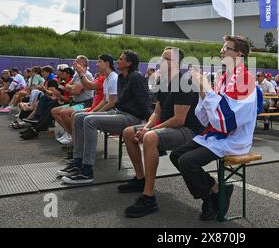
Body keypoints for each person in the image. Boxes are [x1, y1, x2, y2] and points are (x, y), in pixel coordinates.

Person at [170, 35, 257, 221]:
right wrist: (202, 90)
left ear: (239, 54)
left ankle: (210, 198)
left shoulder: (246, 79)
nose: (221, 51)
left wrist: (206, 88)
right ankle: (214, 190)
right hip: (216, 133)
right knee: (176, 156)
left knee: (188, 162)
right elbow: (206, 117)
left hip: (233, 137)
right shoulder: (224, 78)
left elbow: (228, 119)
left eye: (226, 48)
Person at [120, 47, 204, 218]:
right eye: (161, 57)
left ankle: (148, 197)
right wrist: (146, 127)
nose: (161, 61)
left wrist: (150, 130)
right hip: (172, 126)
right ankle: (140, 178)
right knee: (128, 132)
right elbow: (157, 112)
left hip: (189, 130)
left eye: (166, 59)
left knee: (150, 137)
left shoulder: (185, 82)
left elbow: (179, 120)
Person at [58, 51, 153, 184]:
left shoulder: (136, 77)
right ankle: (78, 162)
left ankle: (87, 172)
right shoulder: (121, 77)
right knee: (79, 117)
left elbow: (145, 102)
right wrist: (93, 111)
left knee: (89, 120)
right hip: (118, 113)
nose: (117, 61)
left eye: (120, 59)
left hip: (132, 118)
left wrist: (150, 124)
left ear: (129, 63)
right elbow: (111, 101)